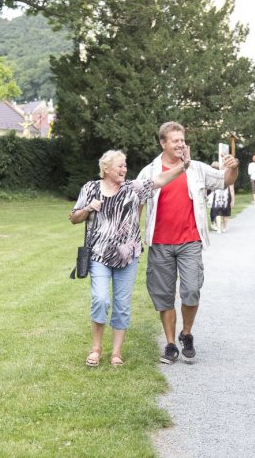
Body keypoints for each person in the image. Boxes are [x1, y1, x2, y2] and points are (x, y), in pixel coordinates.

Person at [70, 149, 189, 367]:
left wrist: (182, 167)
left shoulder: (132, 188)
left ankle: (117, 352)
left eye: (125, 165)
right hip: (99, 255)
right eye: (120, 166)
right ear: (106, 168)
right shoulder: (90, 188)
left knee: (122, 305)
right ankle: (96, 348)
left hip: (128, 257)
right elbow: (74, 218)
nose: (124, 169)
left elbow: (160, 180)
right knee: (101, 299)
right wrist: (88, 208)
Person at [137, 121, 239, 364]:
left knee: (191, 290)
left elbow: (225, 180)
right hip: (160, 243)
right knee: (164, 295)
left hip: (190, 242)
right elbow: (137, 199)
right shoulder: (150, 171)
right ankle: (171, 344)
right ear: (163, 143)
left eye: (182, 140)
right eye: (175, 141)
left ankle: (187, 333)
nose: (181, 144)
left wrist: (234, 167)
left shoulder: (197, 169)